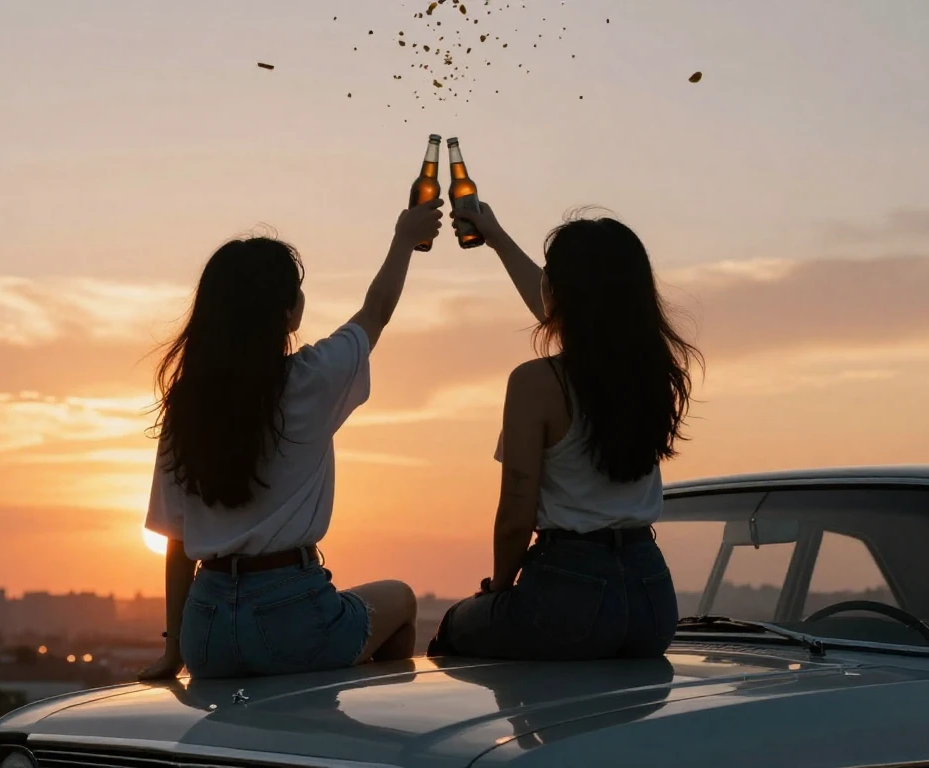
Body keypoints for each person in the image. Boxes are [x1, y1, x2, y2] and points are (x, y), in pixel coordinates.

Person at [138, 197, 445, 679]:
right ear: (287, 312)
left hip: (205, 630)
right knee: (401, 599)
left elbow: (177, 541)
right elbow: (377, 311)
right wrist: (405, 239)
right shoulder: (311, 380)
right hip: (290, 617)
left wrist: (174, 650)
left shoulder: (187, 404)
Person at [427, 203, 701, 661]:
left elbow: (516, 514)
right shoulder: (651, 375)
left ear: (559, 291)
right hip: (652, 603)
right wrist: (497, 237)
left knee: (456, 628)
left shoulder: (536, 383)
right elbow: (576, 318)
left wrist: (498, 587)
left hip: (569, 594)